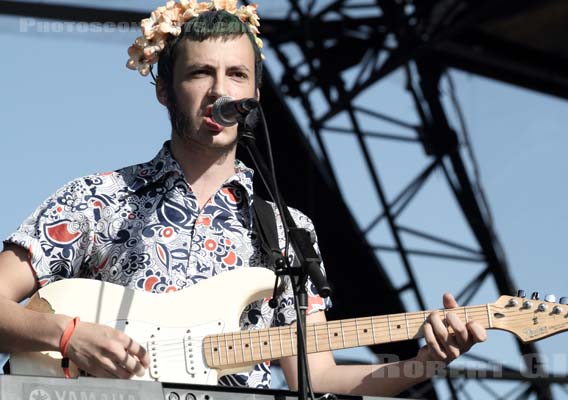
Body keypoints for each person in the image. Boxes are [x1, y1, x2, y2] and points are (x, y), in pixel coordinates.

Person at [0, 0, 486, 396]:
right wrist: (68, 335)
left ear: (254, 91)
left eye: (236, 74)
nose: (219, 90)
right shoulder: (97, 198)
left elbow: (317, 376)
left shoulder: (288, 230)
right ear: (165, 91)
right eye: (199, 74)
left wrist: (424, 363)